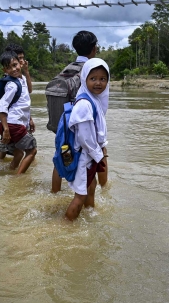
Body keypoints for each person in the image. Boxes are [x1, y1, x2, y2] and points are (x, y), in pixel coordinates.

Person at [51, 31, 109, 192]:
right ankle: (104, 191)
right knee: (101, 153)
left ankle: (54, 193)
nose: (97, 81)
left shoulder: (66, 69)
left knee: (60, 157)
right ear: (94, 48)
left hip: (62, 123)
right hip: (81, 127)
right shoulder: (93, 70)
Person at [65, 58, 110, 220]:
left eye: (103, 79)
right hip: (85, 157)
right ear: (84, 79)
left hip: (89, 156)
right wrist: (99, 155)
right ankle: (65, 227)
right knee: (80, 196)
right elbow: (85, 138)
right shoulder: (85, 103)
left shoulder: (93, 99)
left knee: (91, 186)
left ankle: (90, 214)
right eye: (93, 79)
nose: (98, 83)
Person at [0, 51, 37, 174]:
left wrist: (29, 118)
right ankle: (19, 179)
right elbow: (0, 107)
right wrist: (6, 129)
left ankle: (9, 175)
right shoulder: (12, 85)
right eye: (9, 68)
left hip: (12, 124)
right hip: (13, 125)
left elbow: (27, 94)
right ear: (5, 70)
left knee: (18, 153)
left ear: (20, 63)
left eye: (15, 65)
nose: (14, 69)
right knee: (32, 151)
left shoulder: (21, 79)